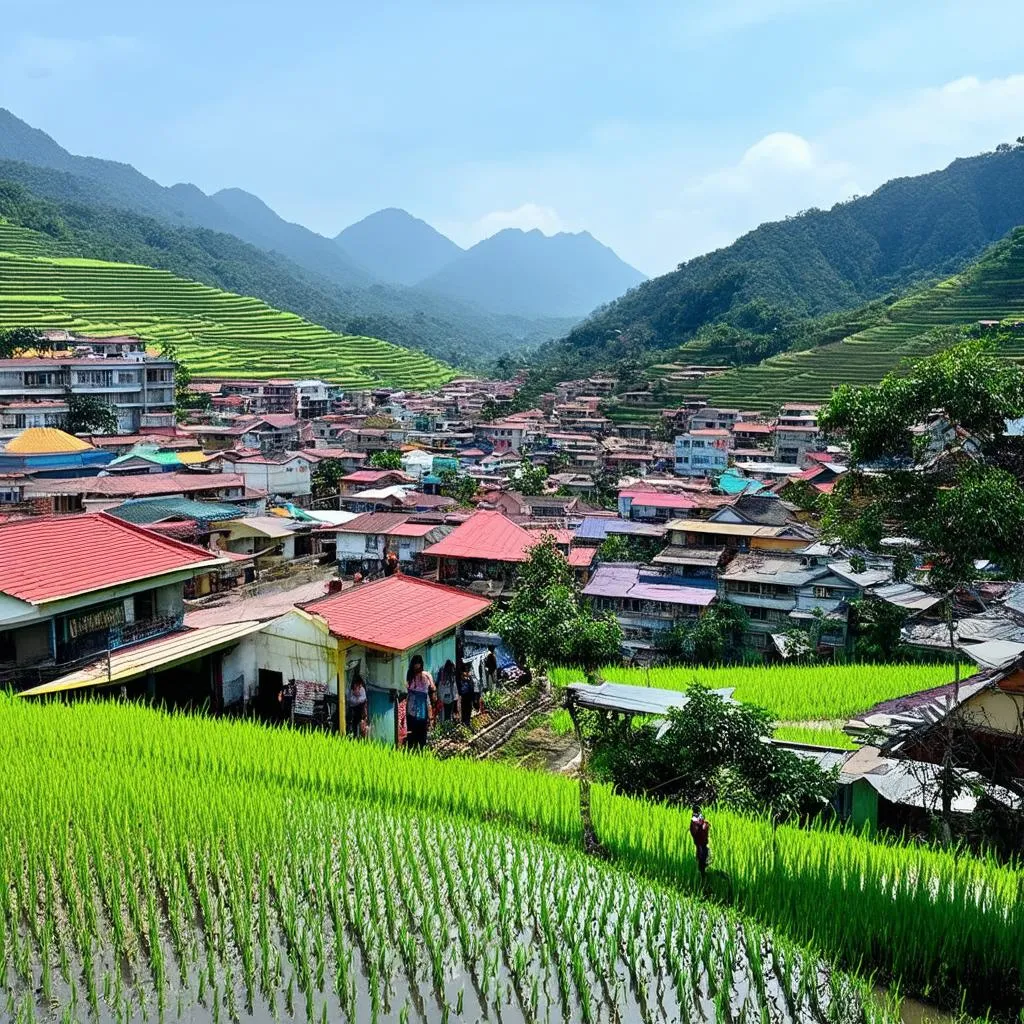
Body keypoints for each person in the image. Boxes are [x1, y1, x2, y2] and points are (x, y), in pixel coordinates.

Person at [405, 655, 435, 750]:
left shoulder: (423, 675)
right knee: (416, 734)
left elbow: (433, 689)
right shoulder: (412, 676)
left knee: (418, 734)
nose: (417, 670)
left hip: (418, 707)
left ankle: (417, 751)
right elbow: (433, 688)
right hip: (416, 708)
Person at [689, 806, 710, 877]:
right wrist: (703, 822)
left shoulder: (698, 818)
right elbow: (698, 823)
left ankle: (704, 873)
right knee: (701, 859)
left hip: (703, 844)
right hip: (699, 844)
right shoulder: (694, 819)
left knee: (704, 857)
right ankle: (702, 875)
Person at [346, 673, 368, 739]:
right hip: (353, 708)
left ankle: (362, 735)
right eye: (355, 685)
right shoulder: (350, 690)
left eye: (359, 685)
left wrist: (358, 697)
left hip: (360, 708)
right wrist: (356, 697)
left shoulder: (362, 689)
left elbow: (363, 698)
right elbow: (349, 699)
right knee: (353, 722)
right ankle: (353, 734)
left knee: (361, 721)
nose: (358, 687)